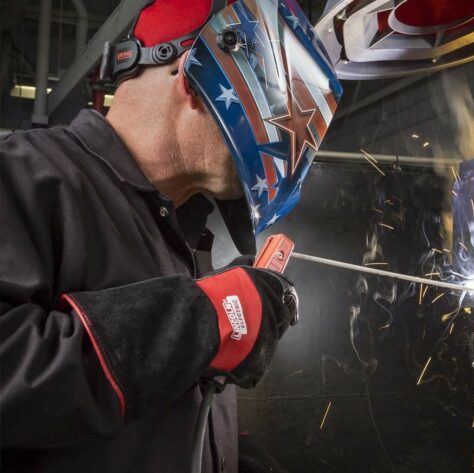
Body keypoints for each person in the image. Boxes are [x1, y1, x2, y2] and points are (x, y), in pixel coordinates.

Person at [0, 0, 342, 471]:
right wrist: (205, 318)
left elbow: (154, 427)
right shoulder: (22, 176)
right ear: (193, 78)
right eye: (275, 99)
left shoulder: (185, 232)